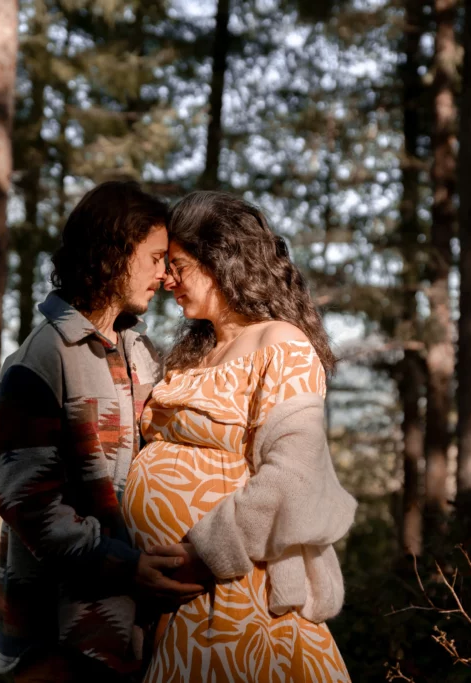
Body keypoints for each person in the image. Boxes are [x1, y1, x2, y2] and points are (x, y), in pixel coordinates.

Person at [121, 191, 357, 682]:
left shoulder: (281, 342)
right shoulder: (191, 354)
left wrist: (204, 555)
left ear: (220, 260)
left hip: (240, 597)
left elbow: (292, 479)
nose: (167, 280)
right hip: (177, 609)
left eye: (178, 266)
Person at [0, 180, 205, 683]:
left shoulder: (142, 354)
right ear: (114, 252)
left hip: (131, 637)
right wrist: (126, 566)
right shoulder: (39, 360)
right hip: (55, 642)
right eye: (154, 258)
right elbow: (28, 504)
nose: (164, 274)